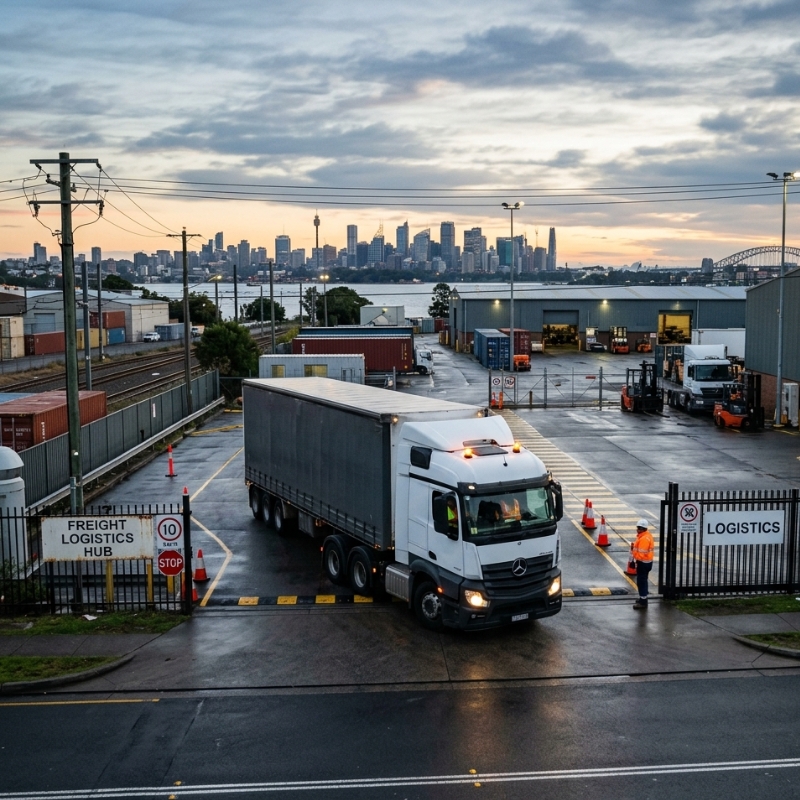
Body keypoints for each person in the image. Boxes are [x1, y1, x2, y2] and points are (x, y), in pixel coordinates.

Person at [631, 518, 654, 610]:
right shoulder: (647, 535)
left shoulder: (644, 539)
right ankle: (643, 597)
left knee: (641, 582)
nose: (637, 529)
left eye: (638, 528)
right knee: (644, 581)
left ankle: (643, 601)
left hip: (643, 563)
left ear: (642, 528)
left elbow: (641, 554)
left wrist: (635, 561)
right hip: (647, 562)